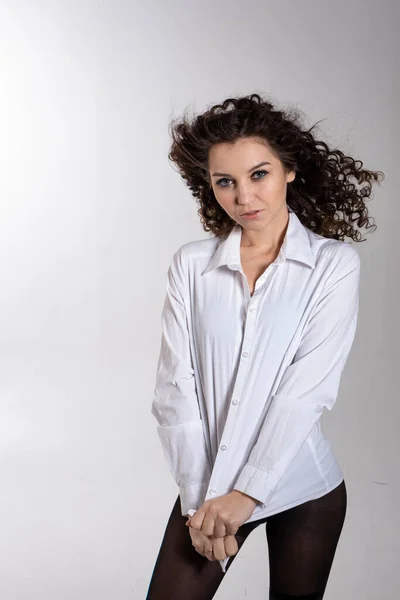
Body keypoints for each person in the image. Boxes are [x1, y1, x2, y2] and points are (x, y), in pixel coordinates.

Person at [146, 94, 384, 600]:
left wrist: (247, 494)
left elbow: (305, 392)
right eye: (225, 181)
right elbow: (174, 390)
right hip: (208, 489)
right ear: (208, 186)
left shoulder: (333, 266)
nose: (244, 196)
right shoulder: (191, 266)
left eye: (259, 174)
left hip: (303, 487)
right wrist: (200, 502)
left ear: (289, 170)